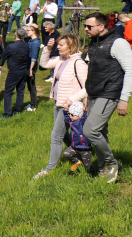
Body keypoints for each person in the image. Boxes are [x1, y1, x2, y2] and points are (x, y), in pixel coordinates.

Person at [77, 12, 132, 182]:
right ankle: (105, 168)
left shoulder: (117, 43)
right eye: (85, 26)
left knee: (90, 131)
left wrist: (124, 99)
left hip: (109, 94)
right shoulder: (94, 43)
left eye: (89, 27)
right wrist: (87, 95)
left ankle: (112, 164)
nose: (86, 29)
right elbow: (93, 71)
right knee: (100, 133)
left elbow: (131, 71)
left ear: (102, 26)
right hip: (94, 94)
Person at [33, 34, 88, 179]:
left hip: (69, 106)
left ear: (70, 47)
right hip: (58, 103)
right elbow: (44, 64)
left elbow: (87, 87)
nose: (58, 47)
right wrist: (47, 48)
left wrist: (71, 99)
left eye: (61, 45)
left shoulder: (78, 63)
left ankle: (49, 169)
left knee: (56, 136)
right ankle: (80, 155)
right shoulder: (61, 60)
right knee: (63, 135)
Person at [0, 28, 32, 118]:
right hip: (24, 70)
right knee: (20, 91)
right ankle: (18, 110)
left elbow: (3, 56)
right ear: (24, 36)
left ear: (15, 35)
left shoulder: (11, 46)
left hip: (14, 71)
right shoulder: (27, 45)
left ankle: (7, 113)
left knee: (8, 92)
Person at [63, 101, 96, 174]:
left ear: (79, 115)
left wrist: (84, 111)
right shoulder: (72, 122)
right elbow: (66, 118)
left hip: (84, 148)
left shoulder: (82, 122)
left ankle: (94, 176)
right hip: (74, 147)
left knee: (88, 165)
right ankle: (78, 161)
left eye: (73, 115)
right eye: (69, 114)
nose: (70, 116)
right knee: (66, 153)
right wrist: (66, 111)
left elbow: (86, 117)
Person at [24, 24, 41, 112]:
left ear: (33, 31)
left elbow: (34, 57)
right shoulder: (31, 40)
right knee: (29, 86)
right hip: (28, 65)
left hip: (31, 66)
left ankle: (33, 105)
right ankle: (31, 103)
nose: (27, 32)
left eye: (28, 31)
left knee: (31, 85)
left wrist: (31, 69)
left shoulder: (35, 43)